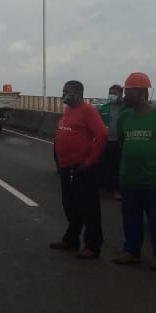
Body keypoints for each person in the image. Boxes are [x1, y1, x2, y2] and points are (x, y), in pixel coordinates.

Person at [113, 72, 156, 271]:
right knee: (130, 218)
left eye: (128, 92)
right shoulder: (124, 118)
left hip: (155, 179)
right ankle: (131, 251)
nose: (124, 96)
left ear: (141, 93)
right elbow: (124, 143)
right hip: (130, 179)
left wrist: (153, 162)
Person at [49, 80, 108, 260]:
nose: (64, 95)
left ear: (79, 94)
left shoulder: (88, 111)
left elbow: (102, 134)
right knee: (69, 204)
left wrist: (89, 161)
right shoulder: (68, 110)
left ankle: (92, 245)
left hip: (82, 168)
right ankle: (71, 239)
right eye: (63, 91)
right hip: (66, 167)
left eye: (68, 92)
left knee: (88, 208)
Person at [97, 84, 124, 200]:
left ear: (120, 95)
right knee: (103, 165)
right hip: (105, 141)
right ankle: (103, 187)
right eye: (110, 93)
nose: (111, 96)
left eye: (114, 93)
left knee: (117, 167)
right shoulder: (103, 108)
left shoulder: (125, 108)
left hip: (119, 142)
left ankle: (116, 189)